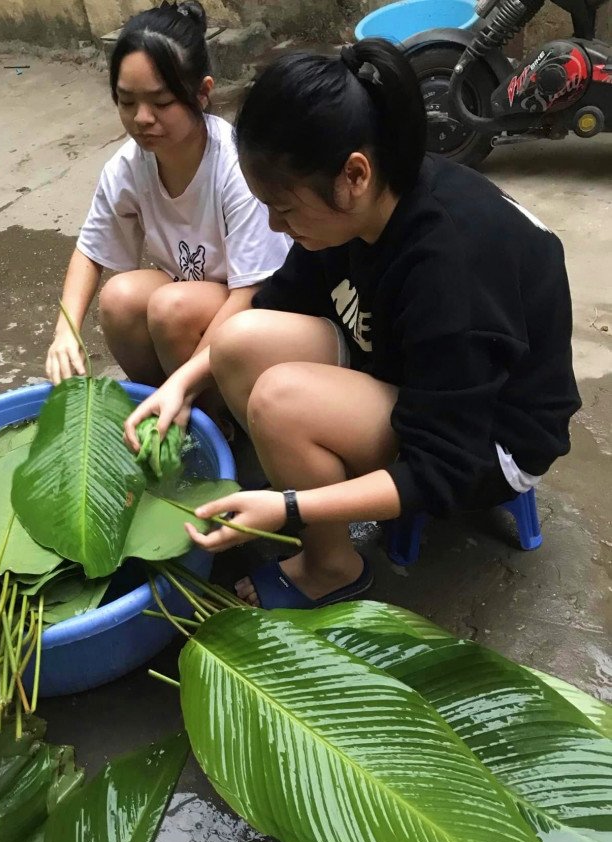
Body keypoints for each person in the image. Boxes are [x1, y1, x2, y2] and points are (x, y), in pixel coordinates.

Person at [125, 38, 581, 609]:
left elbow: (442, 467)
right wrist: (181, 385)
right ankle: (306, 485)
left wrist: (289, 507)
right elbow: (275, 298)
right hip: (406, 365)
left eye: (285, 209)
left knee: (280, 400)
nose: (274, 223)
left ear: (355, 175)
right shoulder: (360, 205)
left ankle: (331, 565)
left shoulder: (450, 265)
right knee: (236, 342)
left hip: (489, 438)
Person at [45, 0, 290, 396]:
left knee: (170, 308)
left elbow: (252, 291)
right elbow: (90, 251)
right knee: (120, 298)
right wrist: (65, 332)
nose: (142, 117)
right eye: (127, 101)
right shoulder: (128, 165)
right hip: (190, 297)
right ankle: (157, 407)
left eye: (161, 103)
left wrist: (181, 383)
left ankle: (211, 419)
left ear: (202, 93)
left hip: (256, 313)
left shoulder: (235, 166)